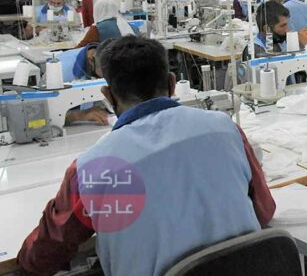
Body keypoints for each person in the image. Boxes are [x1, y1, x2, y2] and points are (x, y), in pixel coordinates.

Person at [18, 36, 275, 276]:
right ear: (172, 84)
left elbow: (43, 256)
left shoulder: (93, 169)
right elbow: (264, 210)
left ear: (107, 95)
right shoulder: (226, 129)